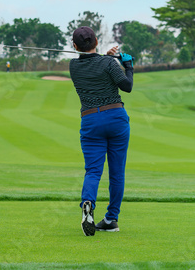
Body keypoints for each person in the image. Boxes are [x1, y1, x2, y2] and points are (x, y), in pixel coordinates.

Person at [69, 26, 134, 236]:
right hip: (115, 118)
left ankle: (88, 202)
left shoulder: (73, 66)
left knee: (93, 171)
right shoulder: (108, 63)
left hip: (90, 120)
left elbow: (91, 64)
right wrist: (128, 65)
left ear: (74, 46)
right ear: (97, 41)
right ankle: (111, 219)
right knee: (116, 172)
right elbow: (127, 86)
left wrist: (108, 59)